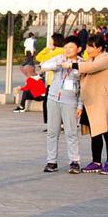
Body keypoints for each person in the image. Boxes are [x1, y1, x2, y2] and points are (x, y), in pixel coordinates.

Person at [79, 34, 108, 174]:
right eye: (87, 46)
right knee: (95, 132)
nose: (88, 49)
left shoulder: (106, 58)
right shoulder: (88, 59)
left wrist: (72, 64)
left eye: (92, 46)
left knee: (107, 131)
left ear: (100, 48)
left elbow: (91, 68)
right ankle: (96, 161)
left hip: (104, 100)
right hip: (91, 101)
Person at [40, 37, 82, 173]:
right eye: (65, 47)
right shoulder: (59, 58)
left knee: (71, 132)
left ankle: (74, 161)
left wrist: (80, 105)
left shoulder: (82, 63)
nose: (67, 50)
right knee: (52, 131)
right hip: (53, 98)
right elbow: (43, 66)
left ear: (78, 49)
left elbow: (83, 87)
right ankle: (51, 161)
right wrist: (59, 64)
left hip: (70, 101)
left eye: (71, 47)